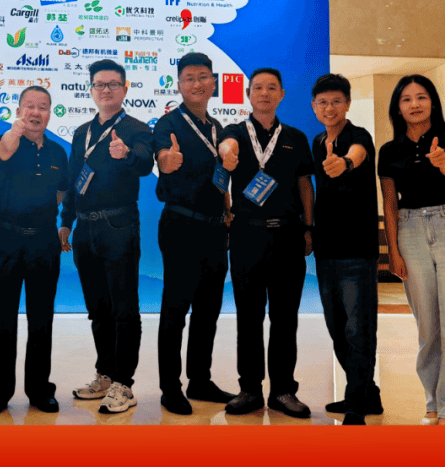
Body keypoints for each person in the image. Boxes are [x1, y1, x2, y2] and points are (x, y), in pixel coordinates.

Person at [378, 74, 445, 426]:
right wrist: (393, 251)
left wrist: (441, 161)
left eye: (421, 97)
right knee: (428, 328)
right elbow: (389, 203)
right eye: (406, 99)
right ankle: (433, 403)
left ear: (433, 102)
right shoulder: (389, 151)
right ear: (398, 108)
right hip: (410, 230)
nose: (415, 104)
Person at [218, 67, 315, 418]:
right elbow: (225, 148)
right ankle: (249, 390)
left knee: (285, 318)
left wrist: (309, 227)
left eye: (272, 88)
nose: (264, 93)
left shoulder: (296, 137)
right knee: (249, 317)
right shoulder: (234, 132)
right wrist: (227, 152)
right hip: (247, 235)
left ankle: (283, 391)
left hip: (288, 235)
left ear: (282, 94)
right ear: (248, 94)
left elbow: (305, 185)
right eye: (257, 87)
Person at [60, 59, 154, 414]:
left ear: (125, 89)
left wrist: (126, 154)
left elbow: (145, 162)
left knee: (124, 307)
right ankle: (105, 374)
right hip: (85, 229)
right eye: (100, 84)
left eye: (114, 84)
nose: (106, 90)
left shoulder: (136, 129)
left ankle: (124, 384)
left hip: (119, 225)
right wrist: (66, 220)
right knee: (98, 308)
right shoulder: (81, 132)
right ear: (91, 89)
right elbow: (74, 179)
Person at [152, 52, 237, 415]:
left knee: (208, 309)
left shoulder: (217, 127)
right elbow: (162, 155)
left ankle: (199, 379)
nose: (197, 84)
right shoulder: (168, 123)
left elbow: (220, 176)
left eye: (203, 77)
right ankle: (170, 387)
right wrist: (165, 161)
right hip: (181, 226)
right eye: (189, 78)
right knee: (176, 309)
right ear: (179, 85)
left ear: (213, 82)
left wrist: (227, 206)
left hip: (215, 229)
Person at [0, 85, 68, 416]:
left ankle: (39, 390)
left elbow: (61, 192)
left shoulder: (58, 152)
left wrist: (43, 215)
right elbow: (4, 150)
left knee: (41, 319)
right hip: (6, 239)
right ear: (18, 111)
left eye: (42, 107)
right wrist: (14, 131)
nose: (35, 112)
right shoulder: (6, 142)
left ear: (50, 113)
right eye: (29, 106)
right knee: (1, 318)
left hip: (43, 242)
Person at [309, 74, 381, 426]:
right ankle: (369, 393)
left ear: (348, 104)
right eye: (323, 102)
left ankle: (356, 403)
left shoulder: (358, 136)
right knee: (337, 327)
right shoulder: (317, 141)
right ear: (314, 107)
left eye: (336, 101)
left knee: (358, 328)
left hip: (357, 250)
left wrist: (345, 163)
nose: (330, 108)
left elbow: (357, 154)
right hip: (327, 249)